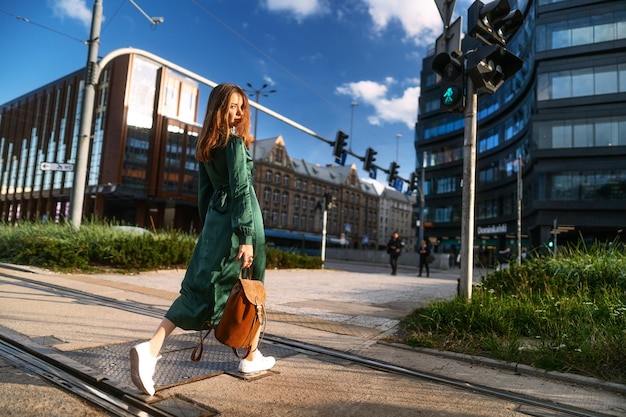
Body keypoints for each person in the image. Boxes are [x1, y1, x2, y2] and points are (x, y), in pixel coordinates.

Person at [129, 83, 274, 396]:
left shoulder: (205, 147)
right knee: (254, 290)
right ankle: (246, 356)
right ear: (219, 109)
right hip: (243, 224)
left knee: (199, 288)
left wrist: (212, 226)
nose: (238, 113)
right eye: (232, 107)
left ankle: (248, 353)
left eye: (241, 107)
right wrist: (246, 236)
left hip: (217, 222)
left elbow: (204, 194)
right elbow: (239, 192)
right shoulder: (234, 145)